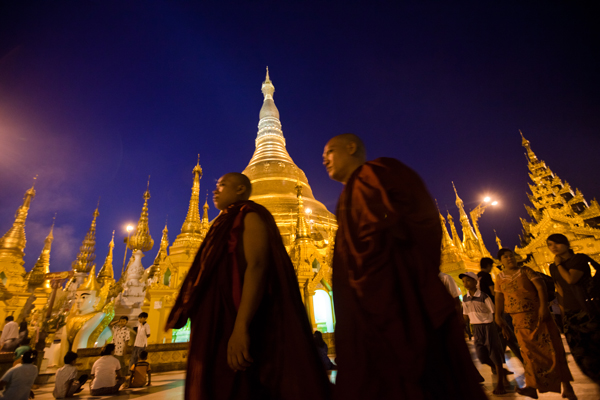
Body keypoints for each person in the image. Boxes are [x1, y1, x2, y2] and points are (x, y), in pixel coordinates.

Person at [322, 134, 486, 400]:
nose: (324, 158)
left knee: (419, 375)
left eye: (330, 151)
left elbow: (421, 221)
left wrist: (411, 271)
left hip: (398, 296)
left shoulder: (377, 174)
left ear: (351, 148)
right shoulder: (347, 196)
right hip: (365, 307)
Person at [166, 172, 331, 400]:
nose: (216, 190)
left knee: (243, 387)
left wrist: (240, 327)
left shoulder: (249, 216)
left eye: (222, 186)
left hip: (238, 324)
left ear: (240, 190)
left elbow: (257, 267)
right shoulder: (223, 222)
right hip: (217, 326)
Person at [495, 248, 576, 399]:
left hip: (538, 316)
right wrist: (497, 316)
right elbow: (499, 297)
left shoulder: (526, 271)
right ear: (500, 261)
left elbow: (541, 288)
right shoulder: (499, 277)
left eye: (511, 256)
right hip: (518, 320)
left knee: (552, 350)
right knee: (528, 354)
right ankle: (532, 386)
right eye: (505, 257)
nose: (509, 258)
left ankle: (567, 386)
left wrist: (544, 307)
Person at [547, 233, 600, 385]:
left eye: (556, 243)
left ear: (566, 243)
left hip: (586, 310)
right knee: (580, 354)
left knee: (596, 348)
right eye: (550, 245)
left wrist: (558, 265)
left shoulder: (579, 259)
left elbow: (571, 279)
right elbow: (559, 290)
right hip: (570, 313)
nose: (553, 247)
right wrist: (562, 313)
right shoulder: (553, 267)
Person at [460, 272, 508, 395]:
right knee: (482, 356)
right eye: (464, 281)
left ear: (476, 282)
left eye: (468, 280)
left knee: (494, 353)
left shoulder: (484, 296)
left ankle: (500, 383)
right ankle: (500, 370)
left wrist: (501, 327)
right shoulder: (465, 298)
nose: (465, 283)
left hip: (488, 326)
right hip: (476, 328)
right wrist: (463, 326)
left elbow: (493, 312)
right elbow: (465, 315)